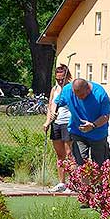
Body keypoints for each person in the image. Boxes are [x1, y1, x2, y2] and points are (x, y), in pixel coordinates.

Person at [52, 78, 110, 166]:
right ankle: (82, 180)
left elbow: (106, 116)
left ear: (88, 89)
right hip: (78, 132)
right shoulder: (67, 90)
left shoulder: (100, 94)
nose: (79, 97)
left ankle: (98, 179)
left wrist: (93, 125)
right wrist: (53, 111)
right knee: (81, 165)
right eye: (76, 95)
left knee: (100, 165)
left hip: (98, 134)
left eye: (81, 95)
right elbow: (55, 103)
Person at [43, 64, 73, 193]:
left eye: (62, 78)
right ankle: (62, 183)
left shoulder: (71, 89)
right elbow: (50, 107)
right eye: (58, 79)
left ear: (67, 77)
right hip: (56, 123)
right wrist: (47, 122)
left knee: (69, 154)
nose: (60, 81)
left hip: (68, 123)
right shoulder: (54, 89)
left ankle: (73, 184)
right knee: (59, 155)